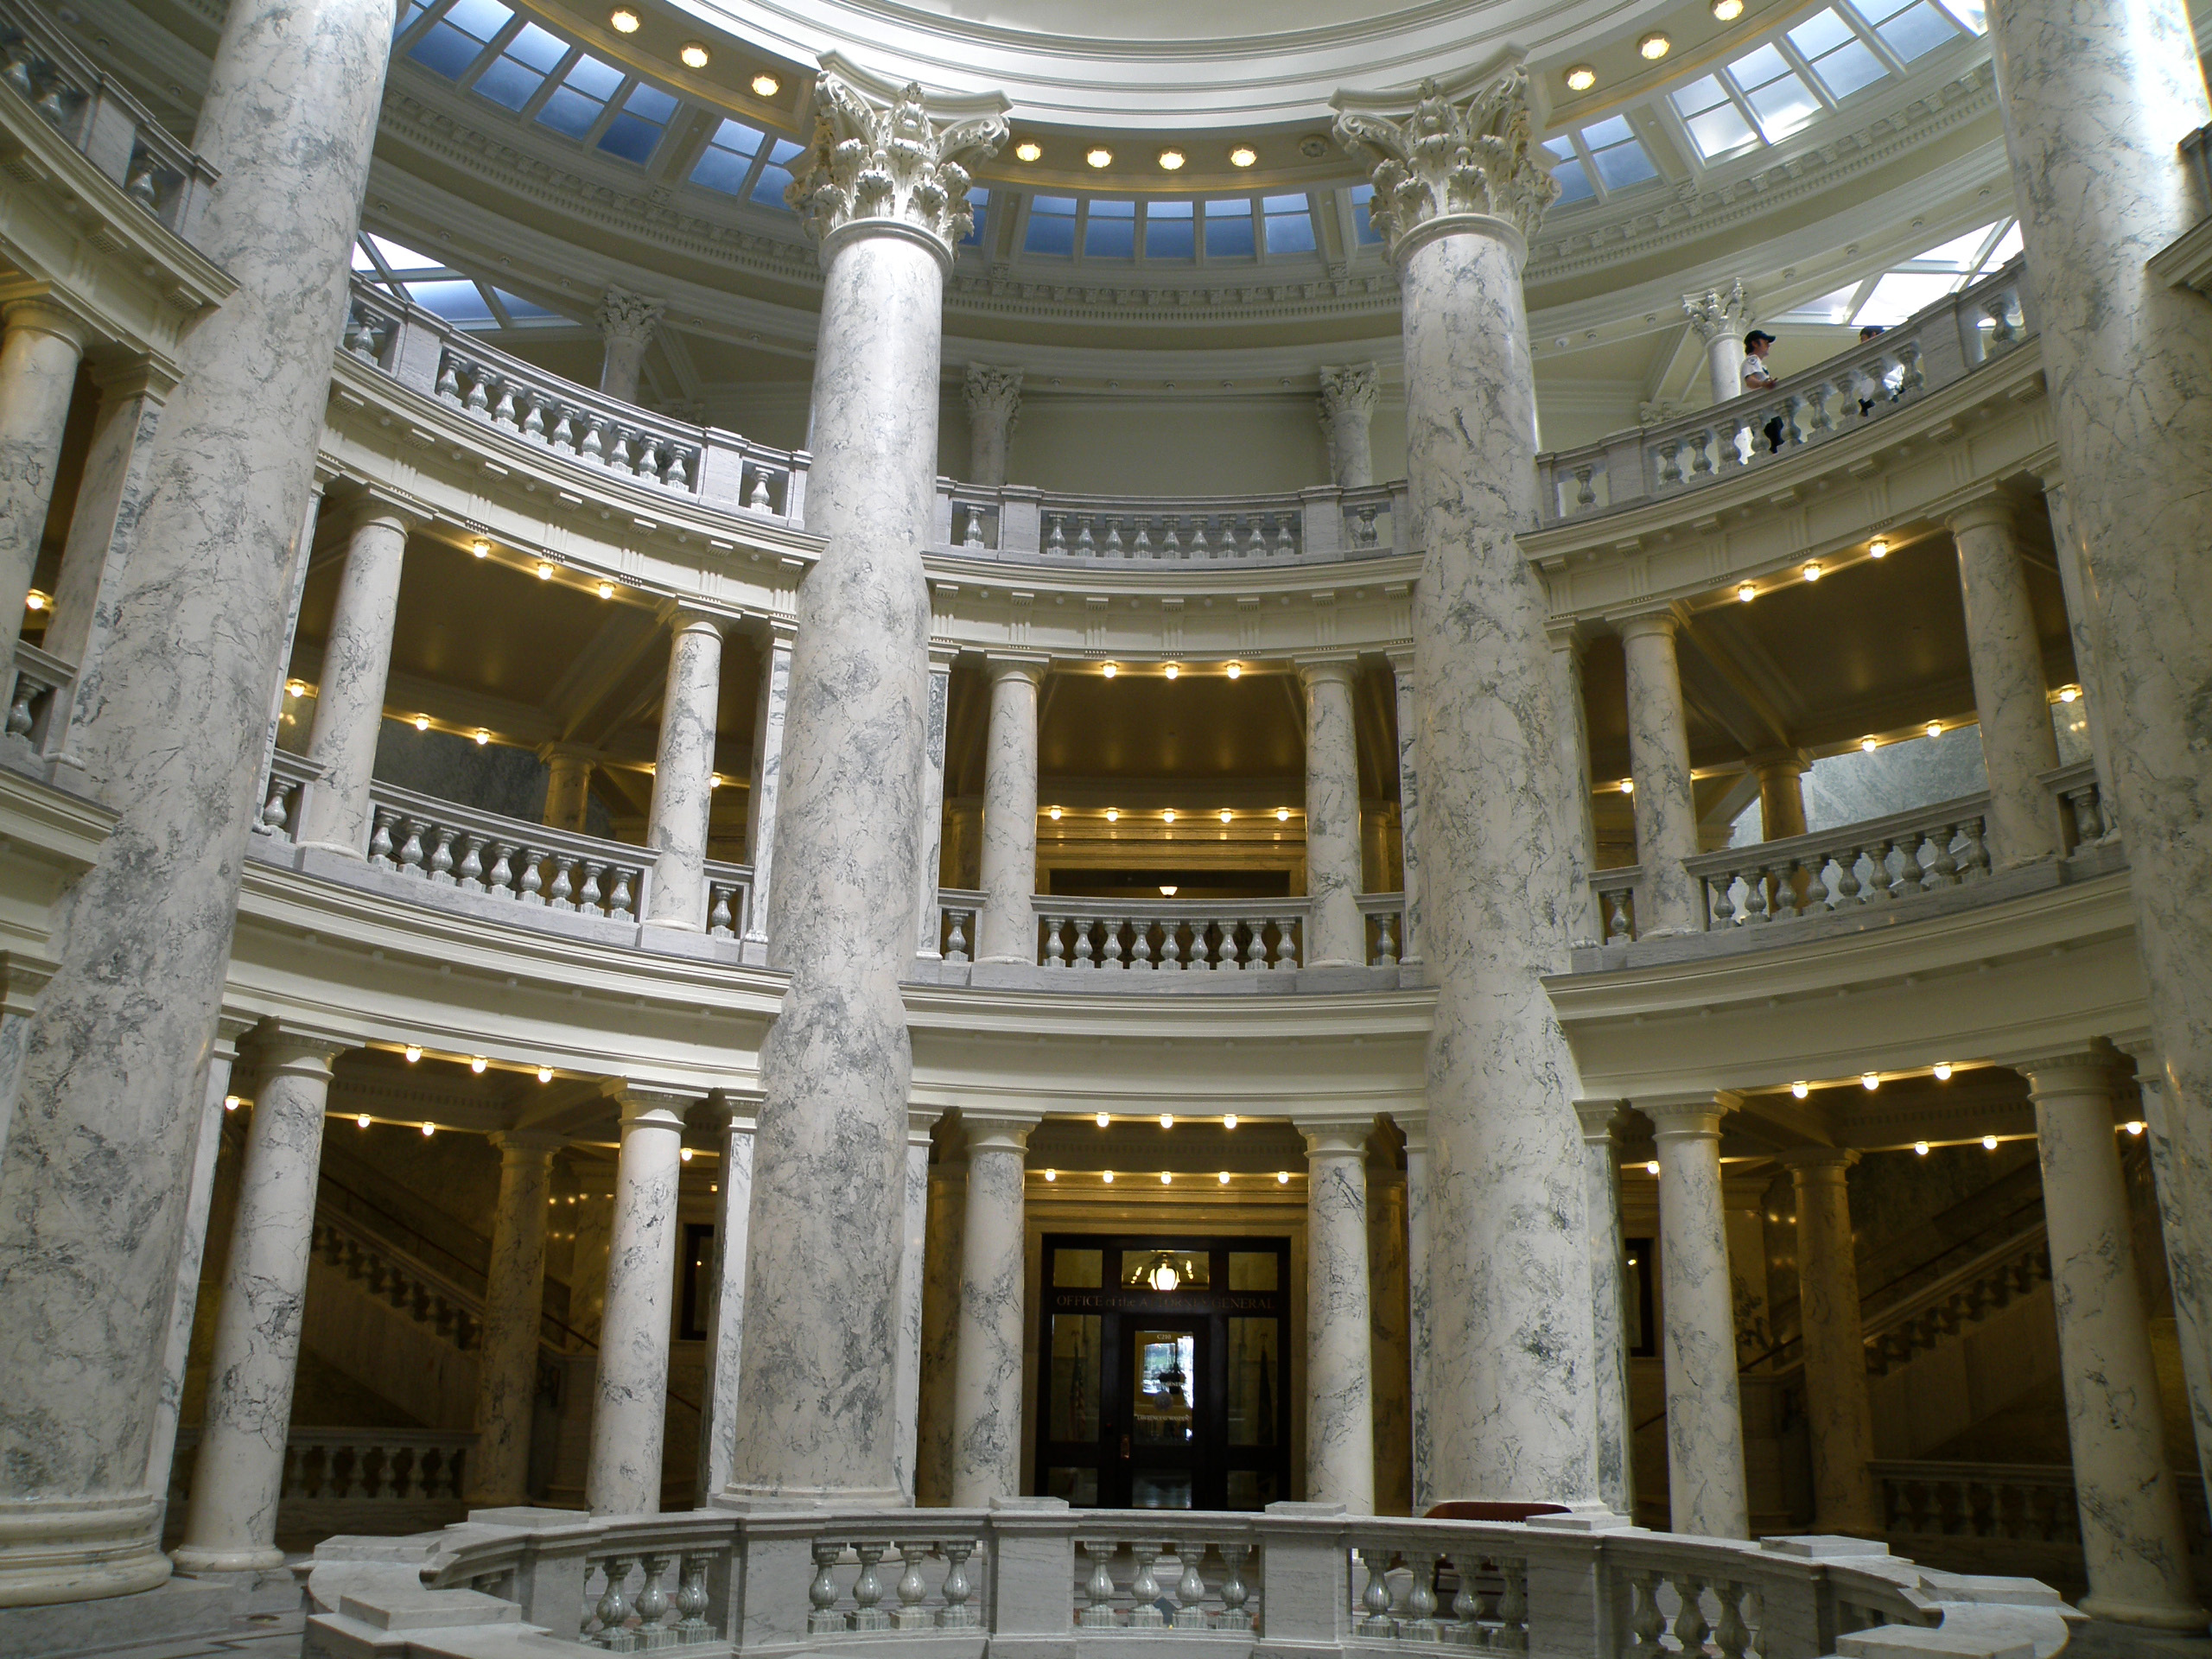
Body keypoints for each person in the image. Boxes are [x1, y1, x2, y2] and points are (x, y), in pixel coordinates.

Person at [1742, 329, 1786, 452]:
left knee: (1778, 443)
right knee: (1775, 444)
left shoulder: (1758, 364)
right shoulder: (1752, 360)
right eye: (1765, 342)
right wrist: (1763, 384)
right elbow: (1750, 380)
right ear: (1755, 344)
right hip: (1764, 412)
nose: (1768, 345)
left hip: (1767, 411)